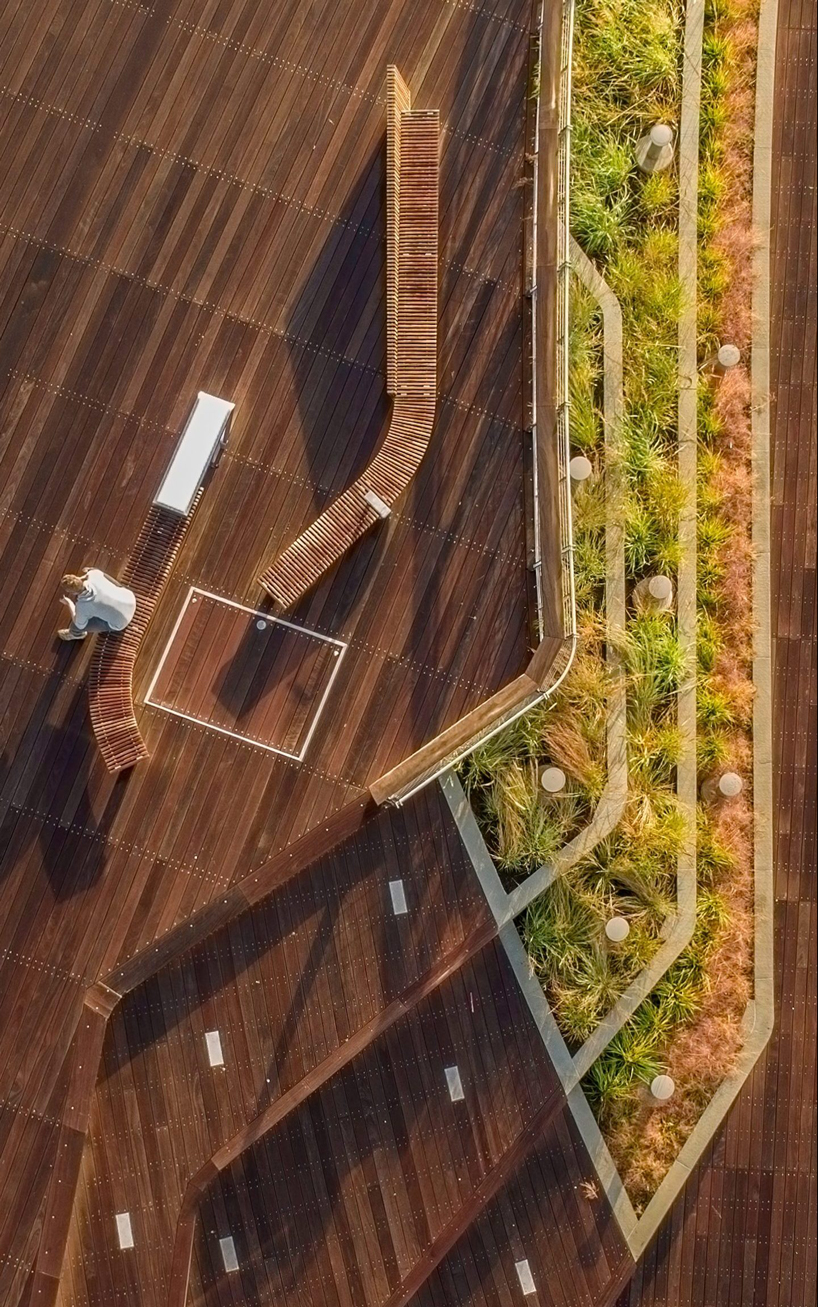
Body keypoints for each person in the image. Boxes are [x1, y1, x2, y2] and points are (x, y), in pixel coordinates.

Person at [58, 569, 137, 642]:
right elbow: (91, 573)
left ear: (72, 592)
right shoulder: (94, 574)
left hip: (120, 623)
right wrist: (88, 572)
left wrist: (69, 602)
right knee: (99, 573)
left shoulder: (82, 606)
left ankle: (76, 634)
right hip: (130, 600)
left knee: (75, 626)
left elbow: (79, 624)